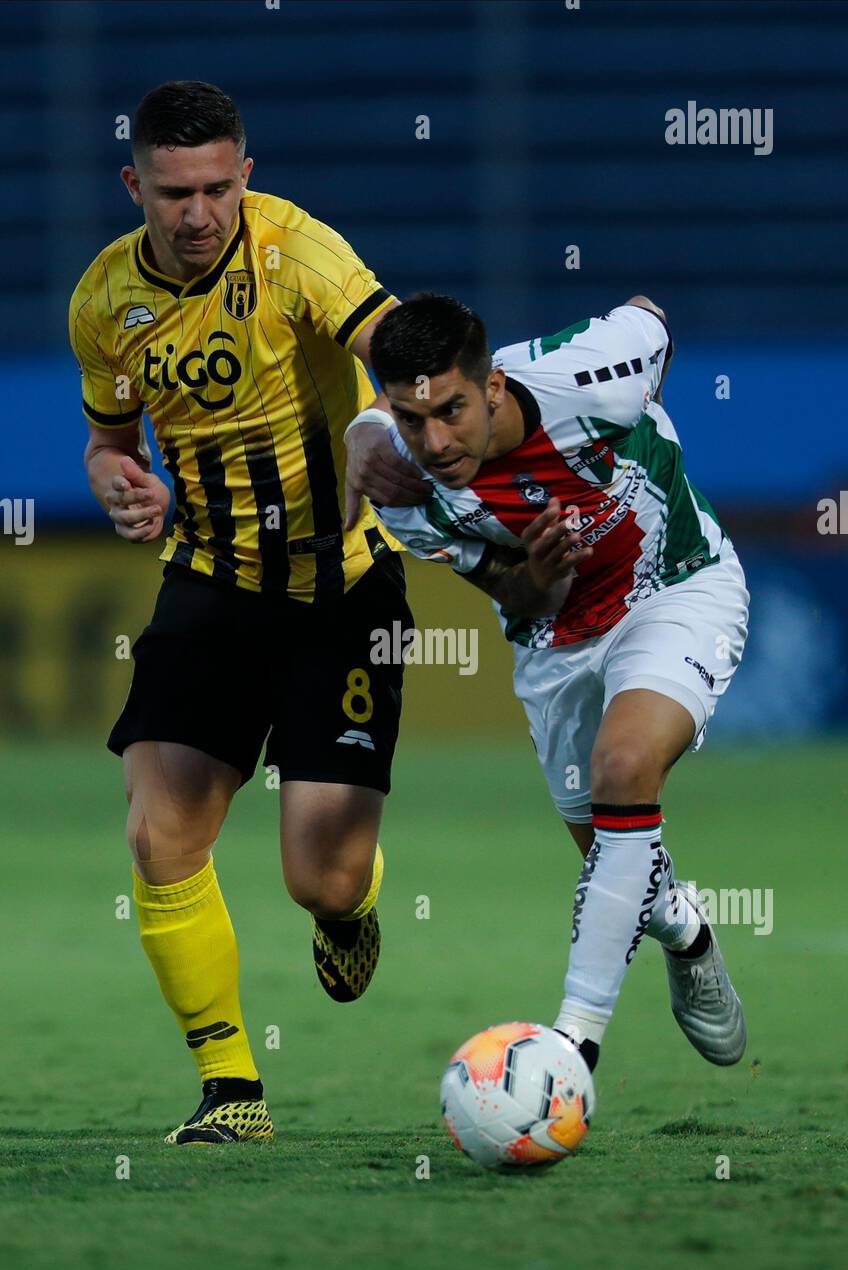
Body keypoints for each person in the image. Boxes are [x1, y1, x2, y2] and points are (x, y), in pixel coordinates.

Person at [68, 80, 415, 1145]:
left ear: (245, 175)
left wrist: (382, 425)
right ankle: (232, 1090)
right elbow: (110, 441)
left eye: (218, 188)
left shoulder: (296, 252)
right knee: (160, 830)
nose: (199, 213)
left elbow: (395, 349)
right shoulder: (103, 301)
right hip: (210, 582)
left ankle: (351, 904)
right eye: (175, 193)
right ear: (134, 185)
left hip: (341, 587)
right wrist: (118, 481)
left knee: (321, 874)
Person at [347, 292, 749, 1077]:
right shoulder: (403, 490)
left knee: (624, 769)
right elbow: (512, 593)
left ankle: (572, 1047)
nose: (435, 442)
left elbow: (651, 314)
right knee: (616, 857)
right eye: (410, 420)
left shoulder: (594, 377)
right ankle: (685, 929)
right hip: (555, 644)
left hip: (676, 588)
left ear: (492, 386)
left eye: (452, 411)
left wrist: (644, 418)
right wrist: (538, 577)